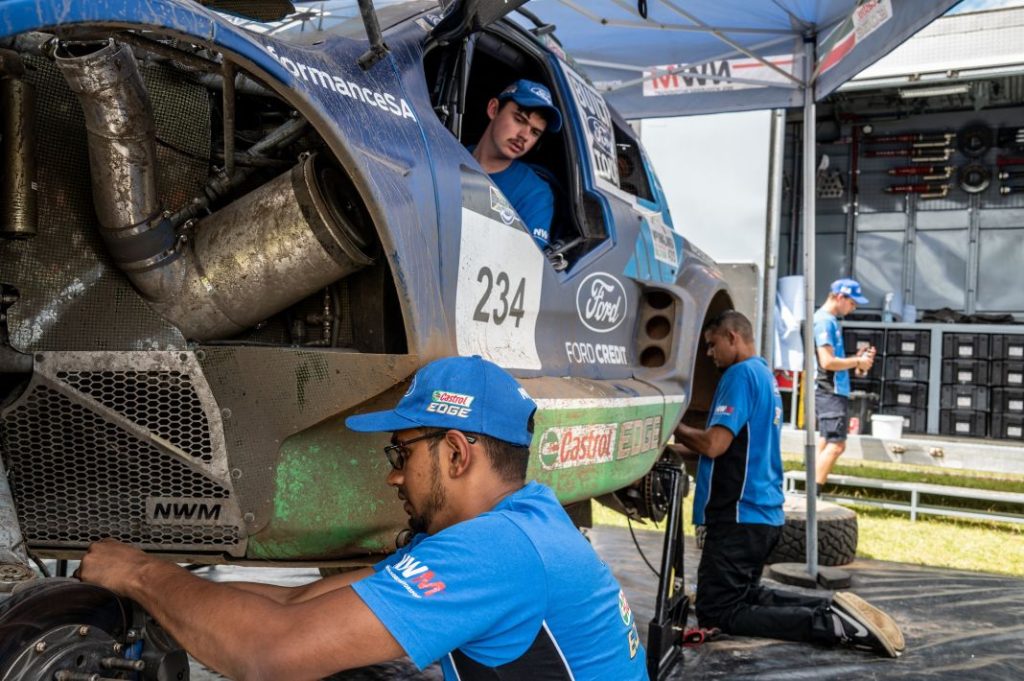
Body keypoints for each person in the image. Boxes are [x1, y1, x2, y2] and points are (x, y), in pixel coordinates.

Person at [78, 355, 648, 680]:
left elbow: (269, 651)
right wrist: (165, 595)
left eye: (401, 453)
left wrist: (141, 575)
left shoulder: (498, 551)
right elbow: (299, 603)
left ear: (456, 454)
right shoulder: (519, 523)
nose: (395, 477)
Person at [673, 311, 903, 658]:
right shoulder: (764, 374)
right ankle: (831, 608)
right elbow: (731, 448)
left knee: (718, 611)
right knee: (746, 596)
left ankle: (830, 624)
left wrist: (673, 426)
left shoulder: (739, 374)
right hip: (761, 514)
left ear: (732, 337)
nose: (709, 353)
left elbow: (714, 444)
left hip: (739, 514)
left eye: (711, 344)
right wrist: (670, 449)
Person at [471, 79, 562, 249]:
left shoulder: (535, 193)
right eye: (519, 119)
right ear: (493, 109)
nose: (524, 136)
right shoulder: (449, 155)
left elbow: (526, 259)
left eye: (535, 132)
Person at [814, 278, 876, 486]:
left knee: (825, 441)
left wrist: (857, 361)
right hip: (830, 391)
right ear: (840, 297)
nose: (854, 308)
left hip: (829, 390)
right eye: (852, 302)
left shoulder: (829, 321)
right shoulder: (825, 322)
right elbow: (827, 362)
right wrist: (858, 361)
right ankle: (813, 494)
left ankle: (810, 492)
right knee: (837, 445)